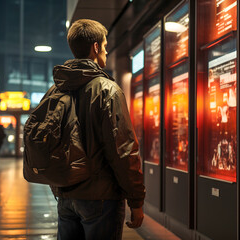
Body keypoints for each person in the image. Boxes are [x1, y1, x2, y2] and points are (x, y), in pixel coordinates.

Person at [46, 19, 145, 239]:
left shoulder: (56, 89)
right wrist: (136, 200)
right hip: (100, 198)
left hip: (66, 196)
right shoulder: (107, 90)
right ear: (96, 47)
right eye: (106, 46)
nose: (107, 52)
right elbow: (123, 150)